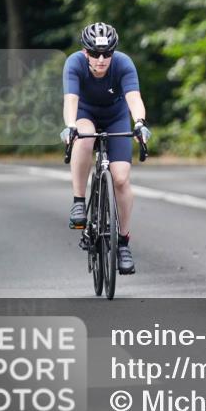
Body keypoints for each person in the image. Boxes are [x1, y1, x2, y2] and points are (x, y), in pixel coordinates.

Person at [60, 23, 151, 274]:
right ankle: (79, 201)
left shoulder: (123, 64)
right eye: (95, 53)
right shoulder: (74, 64)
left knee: (121, 179)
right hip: (85, 113)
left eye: (107, 54)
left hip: (115, 117)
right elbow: (71, 100)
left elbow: (134, 98)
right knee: (85, 137)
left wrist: (140, 124)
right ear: (85, 52)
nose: (101, 60)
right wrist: (70, 126)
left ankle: (123, 243)